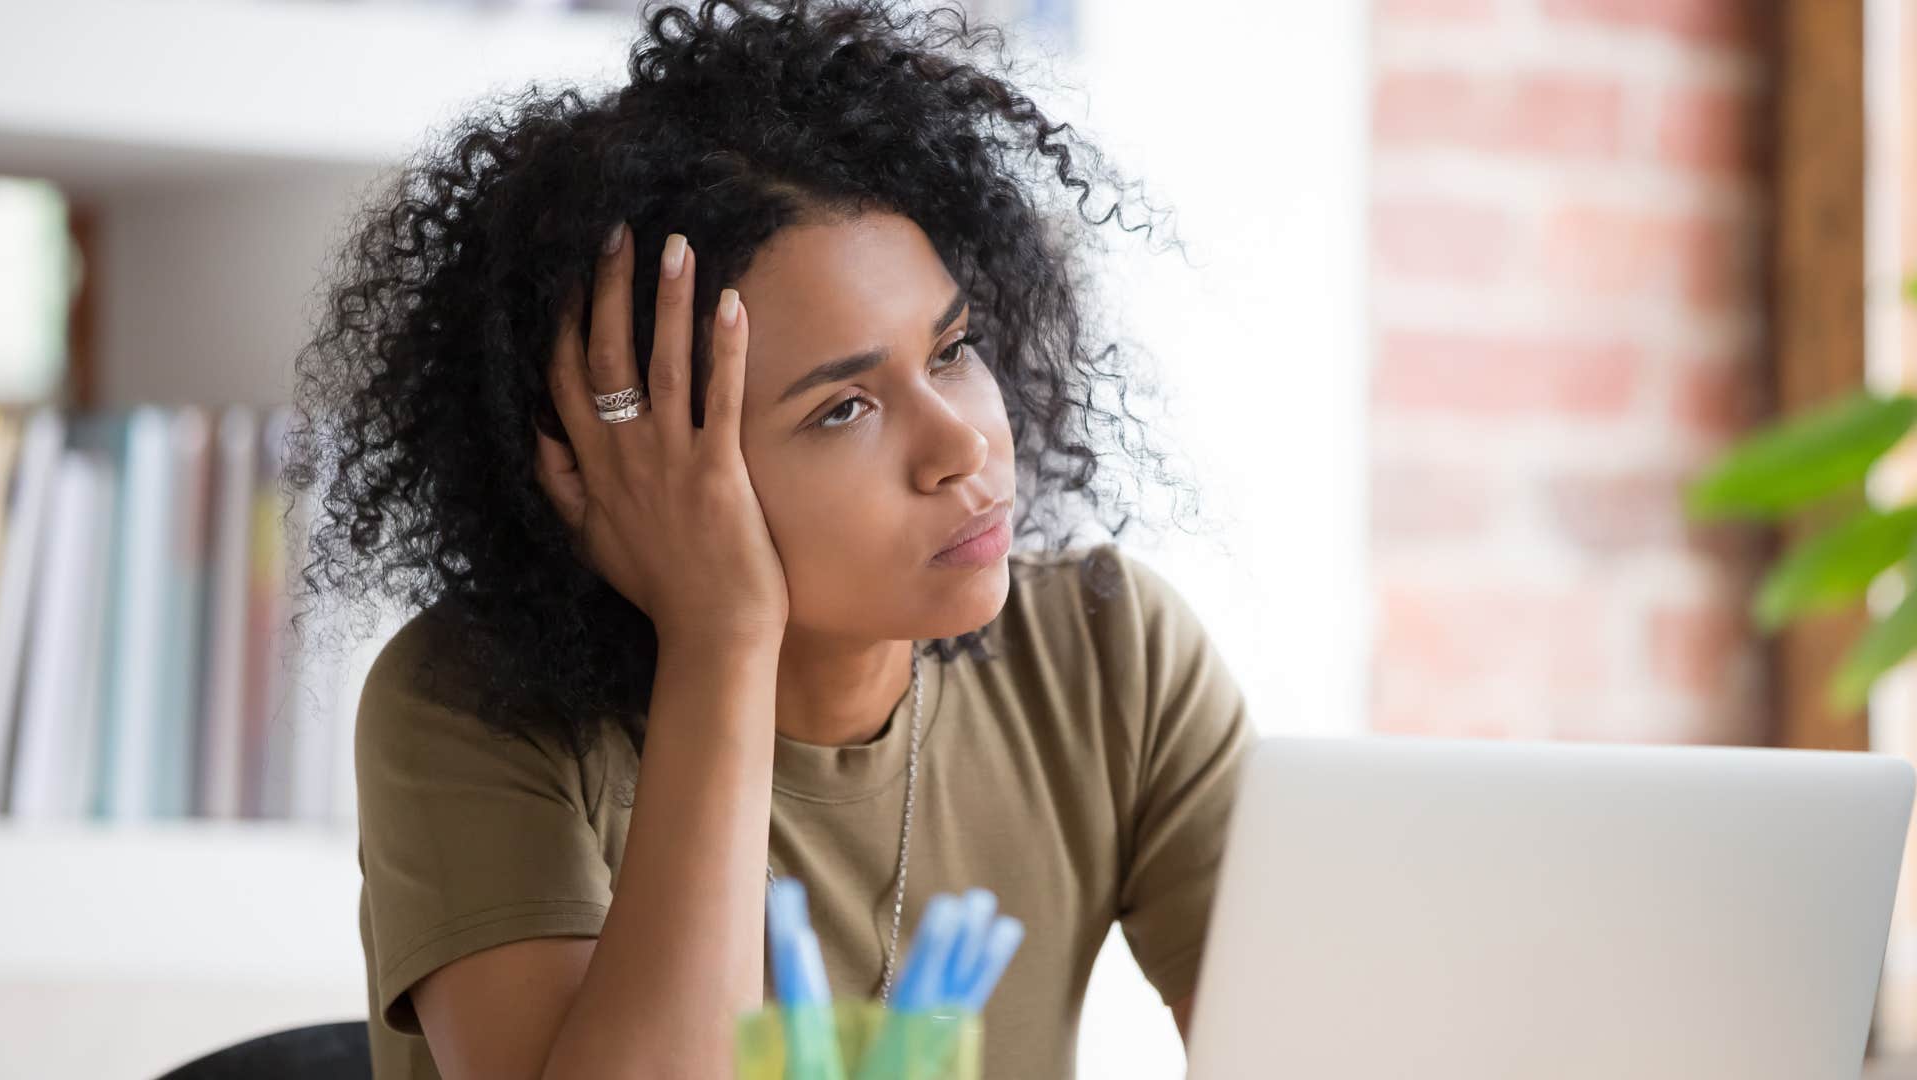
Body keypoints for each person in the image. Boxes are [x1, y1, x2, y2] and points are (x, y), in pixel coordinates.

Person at [285, 1, 1254, 1076]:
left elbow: (1330, 1034)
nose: (959, 447)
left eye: (950, 350)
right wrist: (721, 635)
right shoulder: (472, 709)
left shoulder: (1110, 655)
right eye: (842, 408)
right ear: (633, 464)